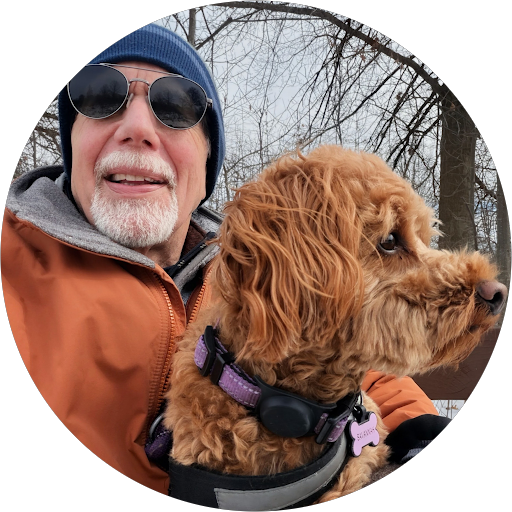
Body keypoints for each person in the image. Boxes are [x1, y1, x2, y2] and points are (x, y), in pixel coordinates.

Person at [2, 23, 445, 496]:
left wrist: (413, 424)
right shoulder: (13, 267)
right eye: (99, 96)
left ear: (207, 156)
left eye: (175, 106)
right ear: (72, 141)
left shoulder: (261, 264)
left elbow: (339, 343)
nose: (137, 129)